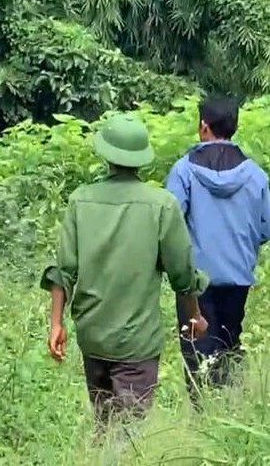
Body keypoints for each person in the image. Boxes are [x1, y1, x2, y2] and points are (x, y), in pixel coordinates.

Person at [41, 113, 209, 431]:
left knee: (104, 424)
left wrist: (56, 325)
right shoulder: (162, 205)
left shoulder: (81, 201)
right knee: (130, 432)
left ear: (105, 155)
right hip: (137, 342)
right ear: (141, 159)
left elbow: (64, 271)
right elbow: (183, 276)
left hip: (92, 335)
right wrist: (194, 317)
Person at [166, 96, 270, 399]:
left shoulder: (183, 171)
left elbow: (170, 224)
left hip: (194, 279)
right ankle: (228, 406)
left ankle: (200, 414)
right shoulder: (255, 174)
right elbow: (265, 226)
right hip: (238, 275)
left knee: (196, 347)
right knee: (228, 342)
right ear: (234, 126)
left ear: (203, 127)